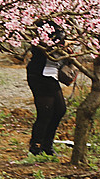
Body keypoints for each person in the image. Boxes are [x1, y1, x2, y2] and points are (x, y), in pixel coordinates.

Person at [26, 19, 72, 156]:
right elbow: (45, 42)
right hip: (40, 74)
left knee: (59, 110)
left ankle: (47, 145)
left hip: (51, 73)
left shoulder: (63, 22)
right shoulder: (42, 23)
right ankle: (36, 146)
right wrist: (64, 43)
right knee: (46, 112)